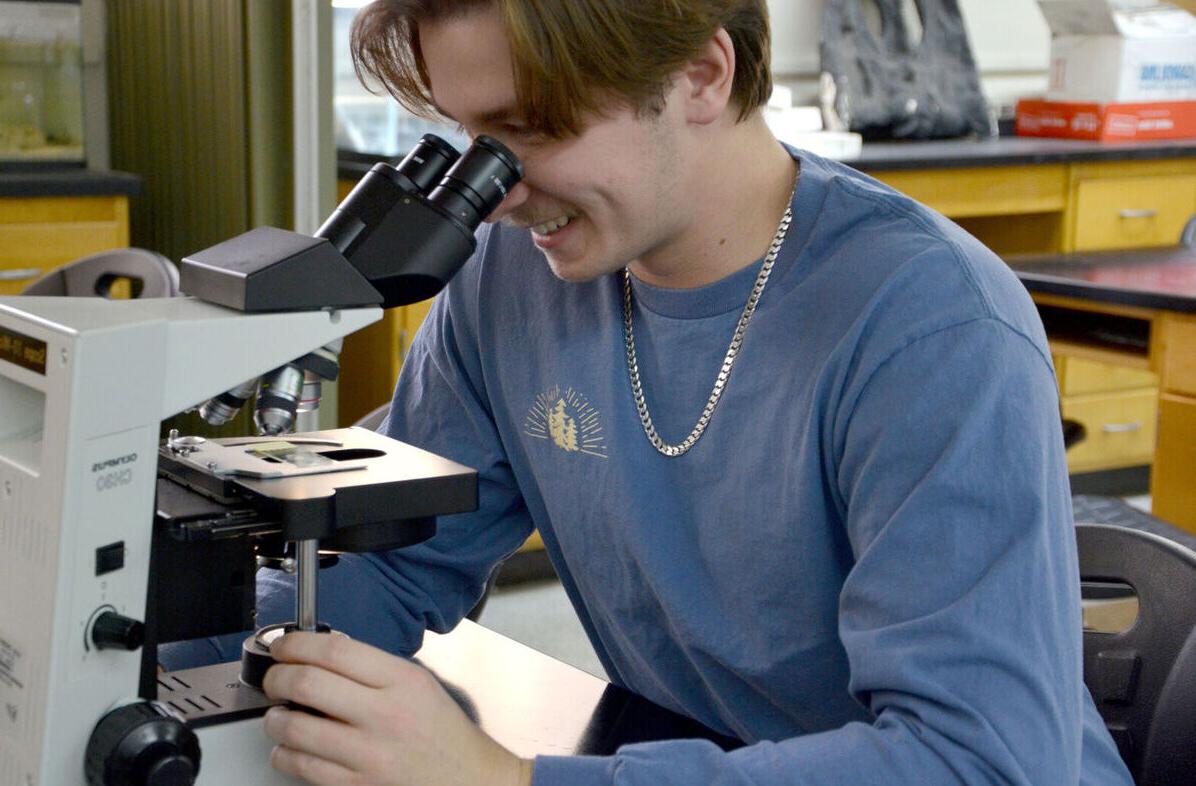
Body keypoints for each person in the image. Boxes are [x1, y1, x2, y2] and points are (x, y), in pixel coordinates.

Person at [163, 1, 1134, 784]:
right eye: (468, 139)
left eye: (525, 133)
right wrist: (137, 644)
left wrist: (502, 780)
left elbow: (977, 761)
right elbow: (390, 561)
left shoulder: (925, 325)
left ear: (701, 75)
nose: (491, 191)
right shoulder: (508, 274)